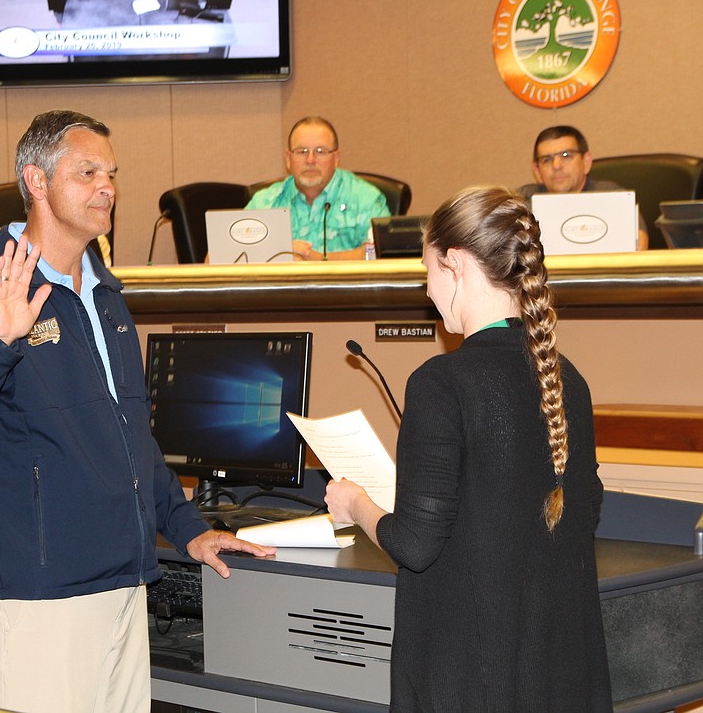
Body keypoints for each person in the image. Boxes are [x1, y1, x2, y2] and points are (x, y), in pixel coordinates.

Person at [0, 110, 274, 713]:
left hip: (123, 585)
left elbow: (133, 441)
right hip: (41, 597)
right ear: (37, 182)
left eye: (113, 173)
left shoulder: (105, 293)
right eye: (88, 172)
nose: (109, 188)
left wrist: (189, 529)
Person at [324, 186, 612, 711]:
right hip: (558, 672)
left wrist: (354, 504)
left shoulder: (441, 383)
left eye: (427, 272)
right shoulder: (569, 378)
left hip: (471, 675)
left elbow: (415, 543)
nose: (428, 292)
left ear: (454, 263)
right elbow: (583, 508)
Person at [246, 116, 390, 260]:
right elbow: (238, 254)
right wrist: (281, 255)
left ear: (336, 158)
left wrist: (319, 259)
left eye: (320, 151)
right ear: (288, 159)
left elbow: (380, 252)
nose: (310, 160)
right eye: (302, 151)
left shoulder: (365, 199)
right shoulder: (263, 203)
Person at [518, 125, 648, 249]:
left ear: (586, 162)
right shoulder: (522, 202)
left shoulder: (612, 196)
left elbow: (639, 244)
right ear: (537, 170)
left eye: (566, 155)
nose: (556, 166)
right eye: (547, 159)